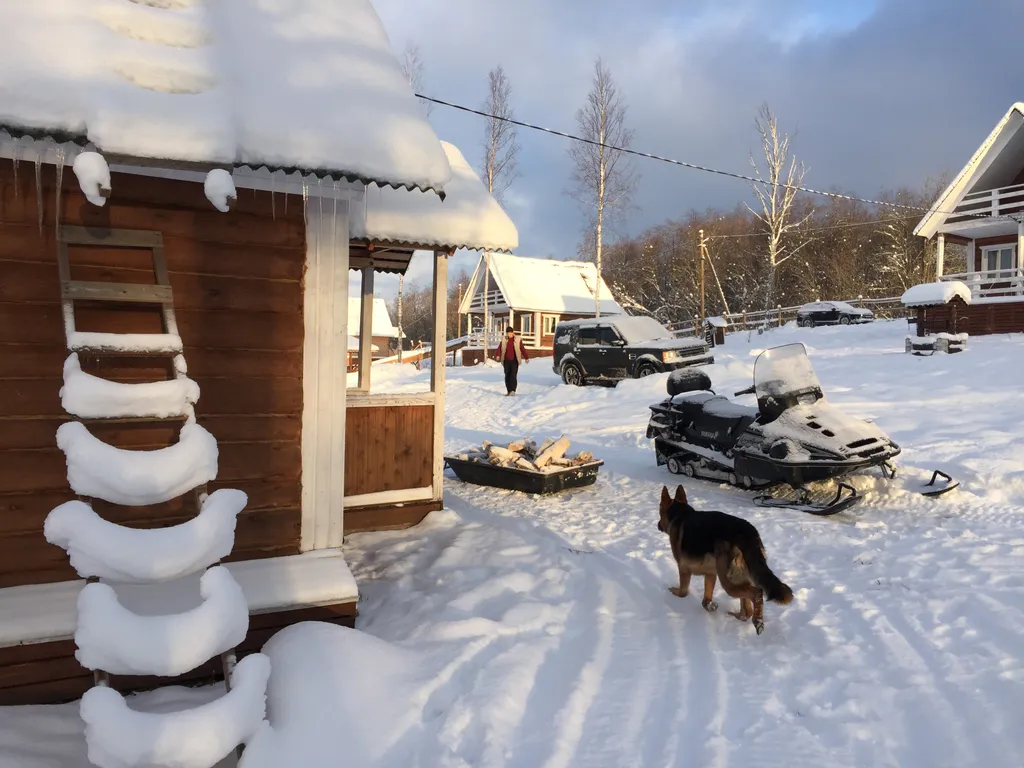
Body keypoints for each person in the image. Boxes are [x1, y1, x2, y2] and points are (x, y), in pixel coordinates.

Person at [493, 327, 529, 395]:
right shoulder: (503, 340)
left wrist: (526, 357)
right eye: (508, 333)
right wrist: (498, 355)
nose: (510, 334)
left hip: (514, 360)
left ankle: (513, 390)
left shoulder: (518, 339)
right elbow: (499, 348)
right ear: (507, 333)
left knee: (513, 375)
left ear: (513, 332)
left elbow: (522, 349)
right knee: (507, 375)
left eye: (511, 332)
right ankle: (509, 390)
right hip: (506, 360)